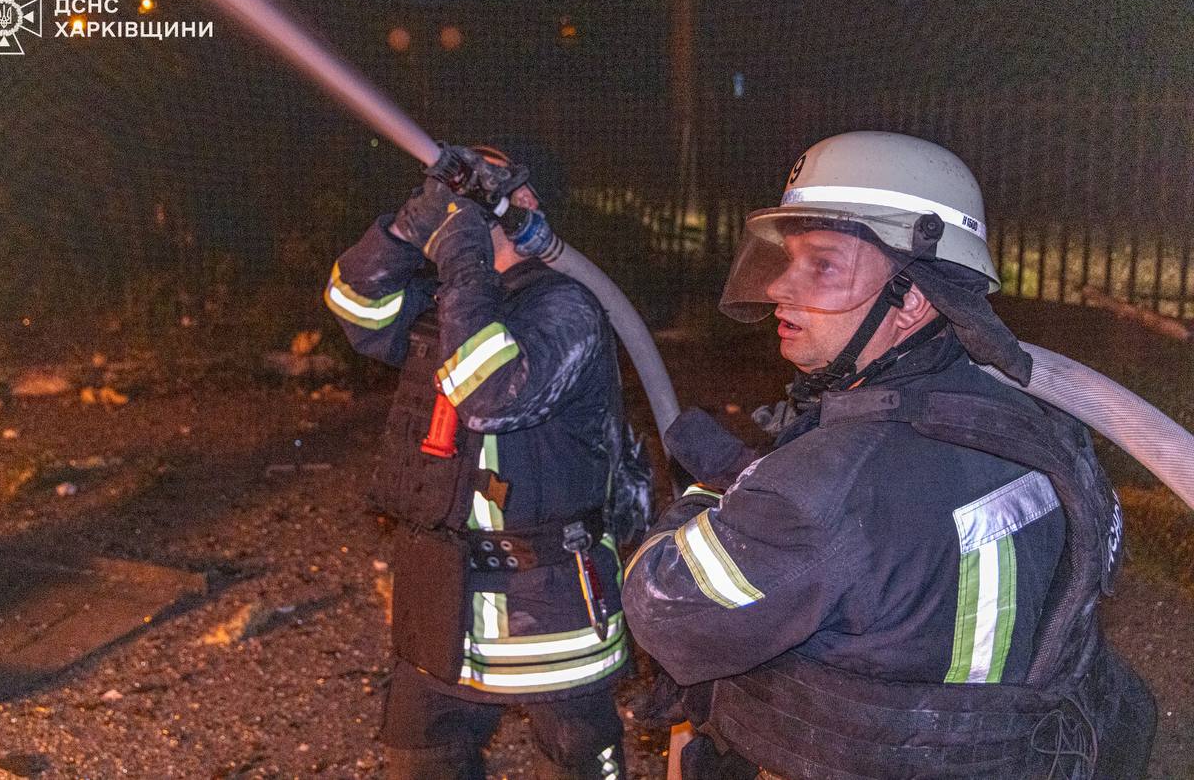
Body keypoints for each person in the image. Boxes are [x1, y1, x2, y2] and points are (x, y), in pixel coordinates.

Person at [622, 131, 1155, 779]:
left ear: (913, 299)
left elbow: (663, 608)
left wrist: (718, 489)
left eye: (822, 265)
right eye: (787, 260)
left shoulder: (822, 488)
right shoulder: (1033, 418)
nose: (780, 286)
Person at [324, 146, 636, 780]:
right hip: (440, 600)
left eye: (475, 195)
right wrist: (402, 232)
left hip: (548, 607)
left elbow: (489, 395)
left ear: (523, 203)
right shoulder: (450, 302)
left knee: (573, 762)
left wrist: (464, 255)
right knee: (420, 755)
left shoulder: (566, 308)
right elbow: (355, 308)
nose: (457, 210)